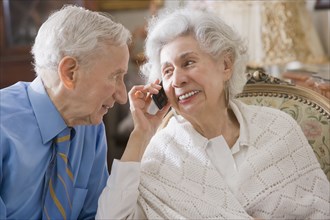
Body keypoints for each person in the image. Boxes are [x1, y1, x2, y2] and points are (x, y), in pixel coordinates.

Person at [96, 8, 330, 219]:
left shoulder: (279, 128)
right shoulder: (161, 151)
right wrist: (141, 134)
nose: (177, 79)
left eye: (188, 63)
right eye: (167, 71)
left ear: (226, 66)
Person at [0, 5, 131, 219]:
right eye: (115, 76)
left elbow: (95, 215)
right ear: (70, 72)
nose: (122, 96)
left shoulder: (92, 127)